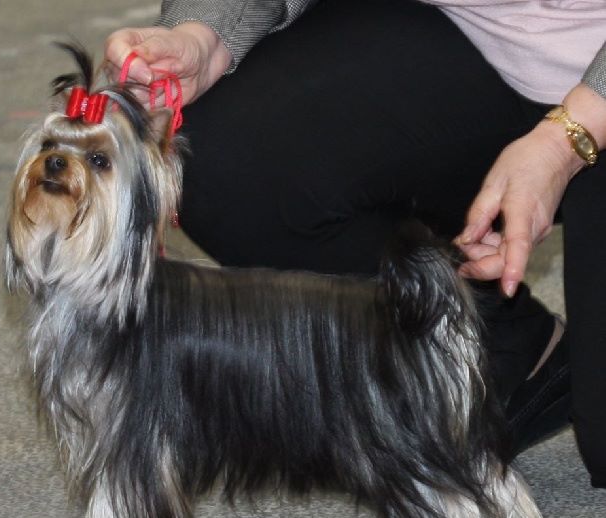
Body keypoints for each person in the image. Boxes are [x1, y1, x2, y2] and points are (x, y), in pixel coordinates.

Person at [104, 0, 606, 488]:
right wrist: (200, 33)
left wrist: (563, 142)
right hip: (475, 39)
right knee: (224, 163)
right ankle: (502, 349)